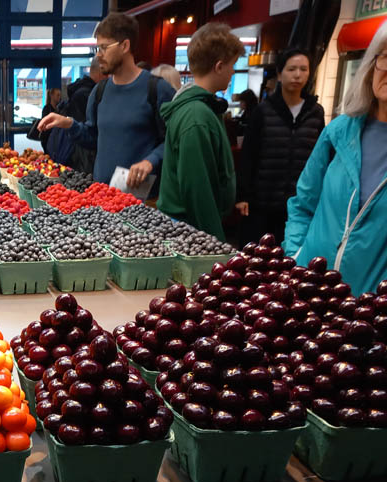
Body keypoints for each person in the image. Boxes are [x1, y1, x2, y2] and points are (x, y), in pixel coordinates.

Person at [283, 21, 387, 296]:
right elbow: (303, 204)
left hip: (368, 316)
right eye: (386, 56)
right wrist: (295, 255)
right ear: (373, 63)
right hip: (306, 298)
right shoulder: (339, 132)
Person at [38, 13, 175, 187]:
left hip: (142, 201)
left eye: (104, 47)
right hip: (102, 195)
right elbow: (93, 137)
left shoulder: (157, 90)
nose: (98, 55)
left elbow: (175, 140)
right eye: (97, 48)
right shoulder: (99, 91)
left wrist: (151, 161)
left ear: (125, 45)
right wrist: (67, 123)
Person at [157, 23, 245, 241]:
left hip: (187, 228)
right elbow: (197, 188)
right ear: (219, 66)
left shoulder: (202, 109)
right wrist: (214, 243)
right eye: (232, 65)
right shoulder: (197, 116)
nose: (233, 71)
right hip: (190, 232)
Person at [238, 49, 325, 245]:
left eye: (303, 69)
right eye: (291, 69)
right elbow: (248, 155)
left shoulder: (316, 112)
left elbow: (322, 159)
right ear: (280, 73)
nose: (297, 75)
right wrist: (243, 195)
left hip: (300, 203)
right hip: (263, 201)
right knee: (258, 256)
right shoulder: (263, 111)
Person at [40, 88, 61, 155]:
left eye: (60, 95)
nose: (59, 97)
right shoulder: (46, 109)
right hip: (47, 139)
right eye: (57, 95)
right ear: (52, 95)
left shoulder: (60, 108)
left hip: (57, 139)